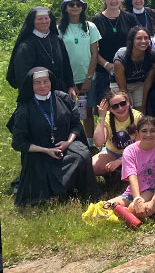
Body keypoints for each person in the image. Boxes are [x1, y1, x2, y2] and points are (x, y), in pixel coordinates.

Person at [10, 67, 100, 206]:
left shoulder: (62, 98)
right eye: (37, 83)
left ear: (51, 82)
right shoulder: (25, 108)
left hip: (64, 146)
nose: (42, 86)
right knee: (42, 168)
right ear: (31, 85)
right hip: (39, 153)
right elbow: (18, 143)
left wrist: (68, 142)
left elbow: (76, 125)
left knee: (82, 155)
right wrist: (46, 150)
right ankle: (57, 193)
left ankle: (79, 192)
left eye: (46, 81)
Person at [58, 0, 101, 139]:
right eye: (71, 5)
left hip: (88, 77)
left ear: (83, 8)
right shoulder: (59, 29)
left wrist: (88, 78)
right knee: (67, 112)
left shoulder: (90, 27)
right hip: (67, 79)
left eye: (78, 4)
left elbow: (94, 54)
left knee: (87, 111)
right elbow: (59, 57)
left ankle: (89, 143)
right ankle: (70, 141)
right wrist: (70, 83)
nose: (75, 7)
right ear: (65, 8)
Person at [8, 7, 74, 96]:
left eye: (46, 18)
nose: (44, 21)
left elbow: (66, 65)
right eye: (40, 19)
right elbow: (23, 76)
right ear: (32, 21)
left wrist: (70, 86)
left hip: (60, 92)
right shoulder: (26, 46)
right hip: (36, 95)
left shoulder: (57, 40)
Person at [91, 0, 139, 105]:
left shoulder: (129, 18)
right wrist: (107, 65)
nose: (113, 1)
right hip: (104, 70)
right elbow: (92, 48)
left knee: (127, 106)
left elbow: (135, 43)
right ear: (104, 0)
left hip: (127, 68)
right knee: (106, 108)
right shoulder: (96, 20)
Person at [92, 90, 141, 175]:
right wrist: (101, 118)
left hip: (135, 155)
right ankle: (116, 173)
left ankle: (119, 172)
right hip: (113, 153)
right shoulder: (106, 118)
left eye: (123, 103)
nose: (120, 108)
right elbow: (99, 143)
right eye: (115, 106)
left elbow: (139, 148)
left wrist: (119, 161)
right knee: (93, 166)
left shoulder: (138, 117)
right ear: (109, 109)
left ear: (128, 102)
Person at [113, 26, 155, 111]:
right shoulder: (121, 58)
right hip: (120, 85)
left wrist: (144, 105)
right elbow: (122, 87)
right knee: (125, 110)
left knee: (141, 113)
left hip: (139, 83)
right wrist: (129, 106)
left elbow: (148, 82)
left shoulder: (153, 56)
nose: (143, 41)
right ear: (132, 40)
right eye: (139, 38)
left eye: (146, 38)